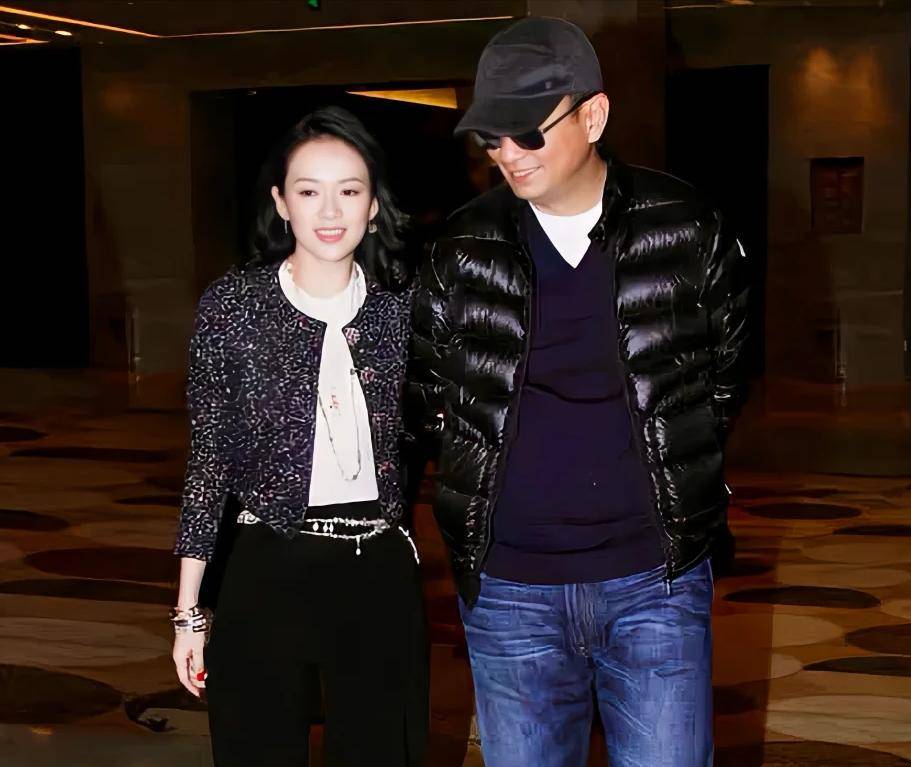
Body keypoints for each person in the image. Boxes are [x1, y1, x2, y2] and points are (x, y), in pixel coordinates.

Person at [410, 17, 749, 767]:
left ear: (592, 116)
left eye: (527, 132)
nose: (508, 153)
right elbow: (433, 396)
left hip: (654, 580)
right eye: (490, 137)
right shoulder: (460, 248)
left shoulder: (686, 226)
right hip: (509, 587)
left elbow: (722, 376)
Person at [172, 106, 427, 767]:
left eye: (350, 190)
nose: (330, 210)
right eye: (309, 191)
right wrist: (189, 610)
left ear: (375, 205)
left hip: (378, 567)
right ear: (281, 202)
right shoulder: (235, 305)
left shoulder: (404, 307)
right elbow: (209, 459)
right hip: (268, 561)